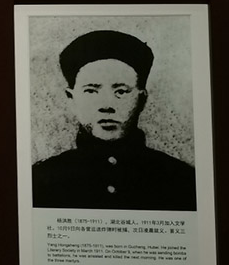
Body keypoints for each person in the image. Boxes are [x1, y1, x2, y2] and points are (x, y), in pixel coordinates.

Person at [31, 30, 196, 211]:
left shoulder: (181, 179)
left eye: (121, 91)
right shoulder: (41, 179)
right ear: (71, 98)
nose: (107, 105)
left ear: (142, 100)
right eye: (91, 91)